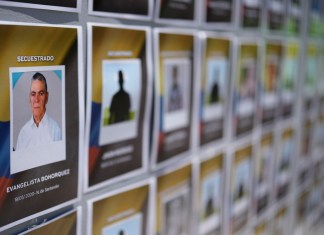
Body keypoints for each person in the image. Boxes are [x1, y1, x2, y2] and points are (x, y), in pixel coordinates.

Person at [15, 72, 62, 150]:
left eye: (41, 93)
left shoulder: (55, 131)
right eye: (33, 94)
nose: (36, 99)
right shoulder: (23, 133)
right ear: (30, 98)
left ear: (46, 97)